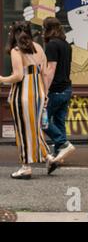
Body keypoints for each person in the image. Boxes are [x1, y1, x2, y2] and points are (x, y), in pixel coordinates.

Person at [0, 21, 50, 179]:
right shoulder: (39, 48)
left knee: (22, 130)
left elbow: (18, 76)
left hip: (23, 94)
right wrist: (45, 93)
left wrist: (1, 79)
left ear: (12, 34)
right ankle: (48, 157)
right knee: (34, 128)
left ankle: (25, 166)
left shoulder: (16, 50)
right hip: (39, 92)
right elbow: (44, 73)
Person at [42, 17, 75, 175]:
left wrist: (44, 91)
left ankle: (63, 144)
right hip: (67, 89)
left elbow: (51, 69)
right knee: (59, 122)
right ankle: (56, 156)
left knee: (42, 121)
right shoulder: (66, 45)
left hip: (55, 90)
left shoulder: (51, 45)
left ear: (46, 29)